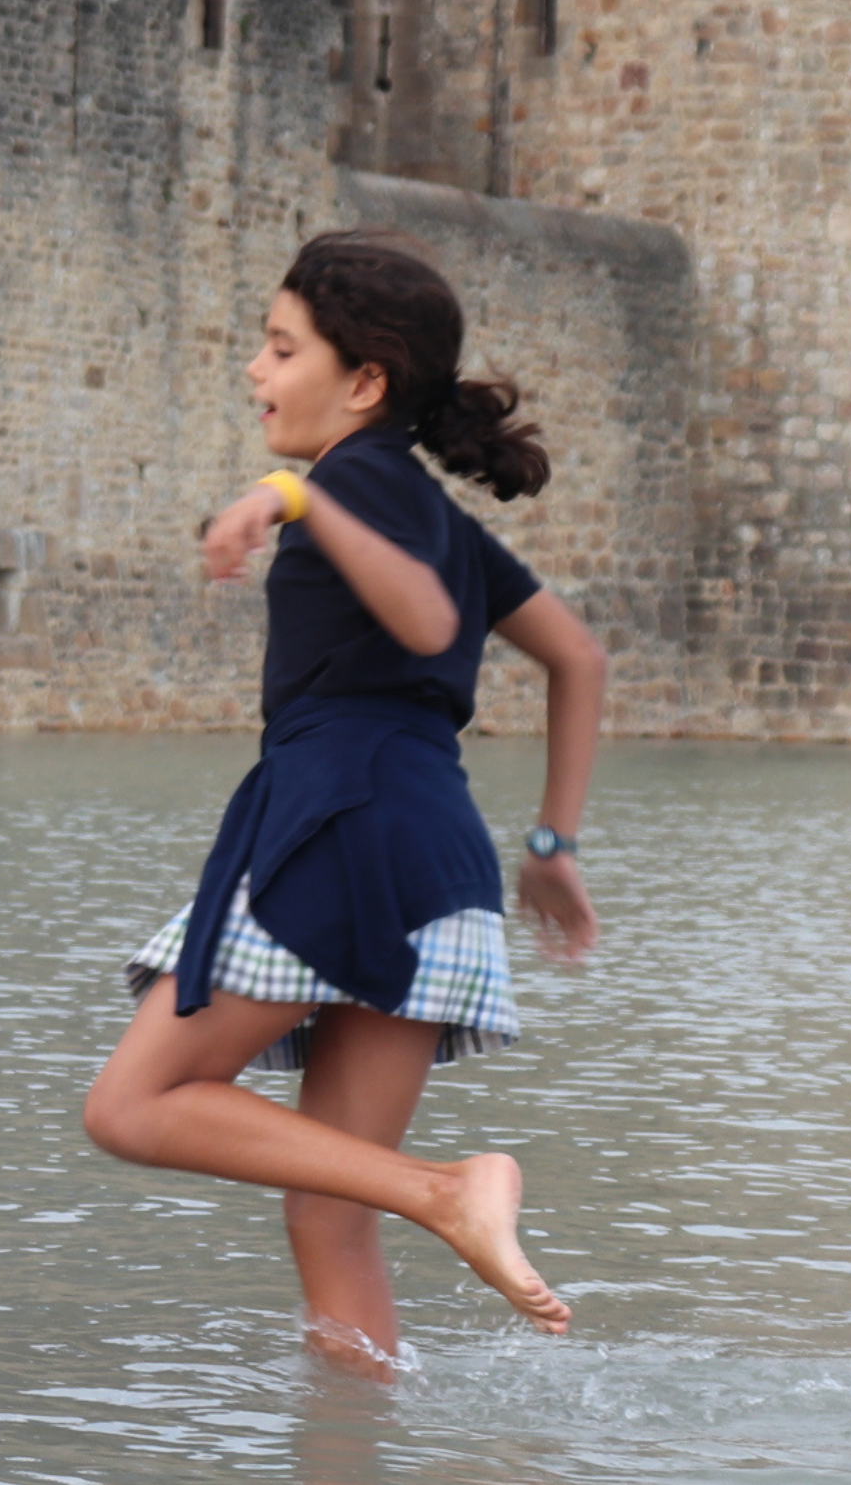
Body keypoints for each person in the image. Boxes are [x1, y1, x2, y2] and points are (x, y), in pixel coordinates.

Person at [81, 232, 607, 1374]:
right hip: (435, 852)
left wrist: (289, 498)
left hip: (343, 828)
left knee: (131, 1104)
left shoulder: (347, 484)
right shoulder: (427, 511)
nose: (255, 372)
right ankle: (353, 1441)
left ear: (363, 381)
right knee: (328, 1212)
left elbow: (421, 623)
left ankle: (448, 1190)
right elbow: (576, 657)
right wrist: (551, 844)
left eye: (279, 347)